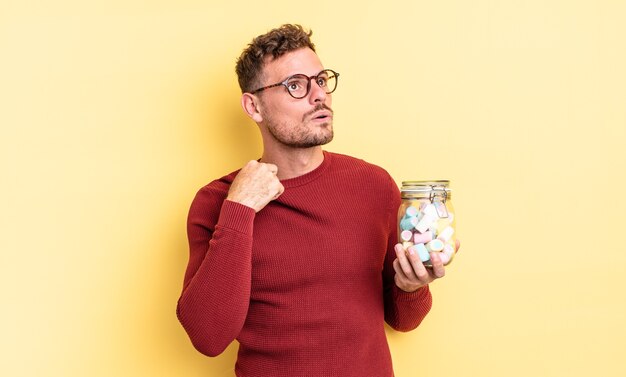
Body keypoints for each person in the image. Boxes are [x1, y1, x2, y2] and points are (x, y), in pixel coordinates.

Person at [176, 24, 458, 377]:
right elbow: (208, 336)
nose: (319, 96)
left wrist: (412, 286)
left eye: (321, 80)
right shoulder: (219, 201)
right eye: (296, 86)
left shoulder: (373, 184)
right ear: (254, 106)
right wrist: (241, 209)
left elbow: (402, 320)